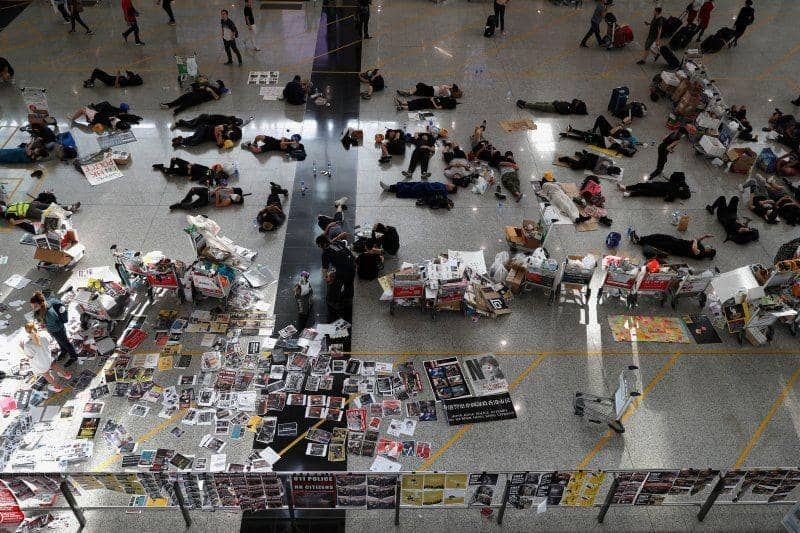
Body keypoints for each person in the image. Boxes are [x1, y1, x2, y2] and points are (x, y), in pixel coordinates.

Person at [30, 292, 78, 367]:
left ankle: (73, 357)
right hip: (54, 329)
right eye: (32, 306)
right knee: (60, 341)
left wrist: (44, 325)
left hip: (58, 330)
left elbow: (52, 323)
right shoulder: (43, 308)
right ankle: (63, 350)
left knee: (66, 343)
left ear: (41, 304)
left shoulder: (49, 313)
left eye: (35, 306)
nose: (33, 308)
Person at [20, 323, 72, 392]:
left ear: (27, 332)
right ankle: (66, 375)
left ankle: (57, 387)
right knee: (53, 365)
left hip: (40, 362)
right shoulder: (44, 334)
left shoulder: (28, 345)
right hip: (47, 355)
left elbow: (30, 356)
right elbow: (50, 341)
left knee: (46, 374)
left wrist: (23, 347)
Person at [315, 235, 356, 315]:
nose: (318, 246)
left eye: (318, 245)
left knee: (334, 286)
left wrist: (326, 277)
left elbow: (325, 269)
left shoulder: (325, 253)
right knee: (349, 283)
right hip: (352, 267)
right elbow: (346, 255)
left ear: (321, 245)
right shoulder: (337, 243)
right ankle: (349, 297)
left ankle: (334, 302)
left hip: (343, 272)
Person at [559, 116, 637, 157]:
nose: (626, 141)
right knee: (585, 136)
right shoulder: (621, 141)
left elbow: (611, 139)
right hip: (601, 139)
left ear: (626, 146)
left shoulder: (619, 146)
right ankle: (570, 131)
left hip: (600, 141)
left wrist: (611, 138)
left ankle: (569, 133)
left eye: (627, 142)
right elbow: (611, 136)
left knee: (585, 137)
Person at [629, 231, 716, 260]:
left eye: (710, 247)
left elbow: (694, 249)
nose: (709, 246)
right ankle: (640, 239)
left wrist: (695, 241)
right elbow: (697, 241)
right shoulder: (702, 248)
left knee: (658, 243)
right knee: (658, 236)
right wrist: (705, 236)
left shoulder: (701, 254)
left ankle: (638, 242)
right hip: (678, 242)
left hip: (676, 248)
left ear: (709, 251)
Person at [160, 79, 226, 115]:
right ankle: (169, 105)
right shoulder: (210, 85)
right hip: (196, 93)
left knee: (188, 103)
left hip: (201, 97)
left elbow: (217, 97)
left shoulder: (217, 91)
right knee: (182, 98)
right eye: (215, 82)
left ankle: (177, 110)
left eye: (216, 83)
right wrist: (203, 86)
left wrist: (211, 90)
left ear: (219, 86)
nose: (214, 83)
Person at [152, 159, 234, 187]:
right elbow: (205, 167)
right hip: (190, 166)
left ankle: (162, 167)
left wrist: (191, 176)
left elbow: (201, 180)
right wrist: (193, 165)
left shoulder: (212, 180)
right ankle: (170, 170)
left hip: (188, 172)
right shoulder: (212, 171)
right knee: (174, 159)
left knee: (167, 171)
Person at [617, 171, 691, 201]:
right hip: (658, 186)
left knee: (643, 190)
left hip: (658, 190)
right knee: (642, 186)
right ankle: (626, 188)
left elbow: (671, 198)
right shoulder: (680, 183)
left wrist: (667, 198)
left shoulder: (678, 188)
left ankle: (629, 193)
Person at [70, 102, 141, 131]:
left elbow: (100, 116)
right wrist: (135, 118)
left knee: (83, 110)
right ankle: (88, 118)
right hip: (97, 117)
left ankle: (72, 119)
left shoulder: (111, 119)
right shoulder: (115, 121)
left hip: (95, 117)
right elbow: (126, 117)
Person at [169, 185, 244, 210]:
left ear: (235, 202)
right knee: (193, 189)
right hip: (207, 191)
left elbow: (217, 205)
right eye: (238, 196)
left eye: (237, 199)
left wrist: (217, 195)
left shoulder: (228, 201)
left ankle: (178, 205)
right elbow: (221, 187)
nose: (236, 197)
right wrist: (215, 190)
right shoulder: (230, 190)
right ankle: (187, 199)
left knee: (191, 206)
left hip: (207, 200)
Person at [172, 123, 241, 149]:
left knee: (194, 140)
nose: (227, 134)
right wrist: (219, 137)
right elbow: (217, 129)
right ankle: (181, 141)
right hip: (204, 129)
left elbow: (220, 145)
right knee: (195, 140)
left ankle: (181, 140)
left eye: (229, 135)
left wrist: (219, 137)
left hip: (206, 137)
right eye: (229, 133)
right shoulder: (226, 127)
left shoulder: (228, 139)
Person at [379, 180, 457, 202]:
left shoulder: (443, 191)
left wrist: (425, 184)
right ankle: (389, 187)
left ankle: (389, 188)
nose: (450, 184)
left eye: (451, 185)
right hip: (422, 186)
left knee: (406, 189)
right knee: (405, 185)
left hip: (422, 190)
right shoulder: (443, 187)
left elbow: (432, 190)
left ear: (450, 189)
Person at [516, 98, 587, 115]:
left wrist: (557, 104)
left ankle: (525, 104)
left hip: (553, 108)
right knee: (539, 103)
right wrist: (557, 102)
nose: (576, 101)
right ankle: (528, 104)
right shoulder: (571, 106)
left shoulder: (570, 109)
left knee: (539, 106)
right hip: (554, 104)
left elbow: (561, 110)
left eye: (577, 103)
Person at [397, 83, 462, 99]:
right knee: (417, 91)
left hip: (432, 91)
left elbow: (442, 88)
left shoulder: (449, 93)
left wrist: (446, 87)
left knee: (420, 84)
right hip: (431, 89)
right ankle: (406, 92)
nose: (451, 86)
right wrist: (446, 87)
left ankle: (409, 93)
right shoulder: (448, 90)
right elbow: (441, 86)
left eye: (452, 87)